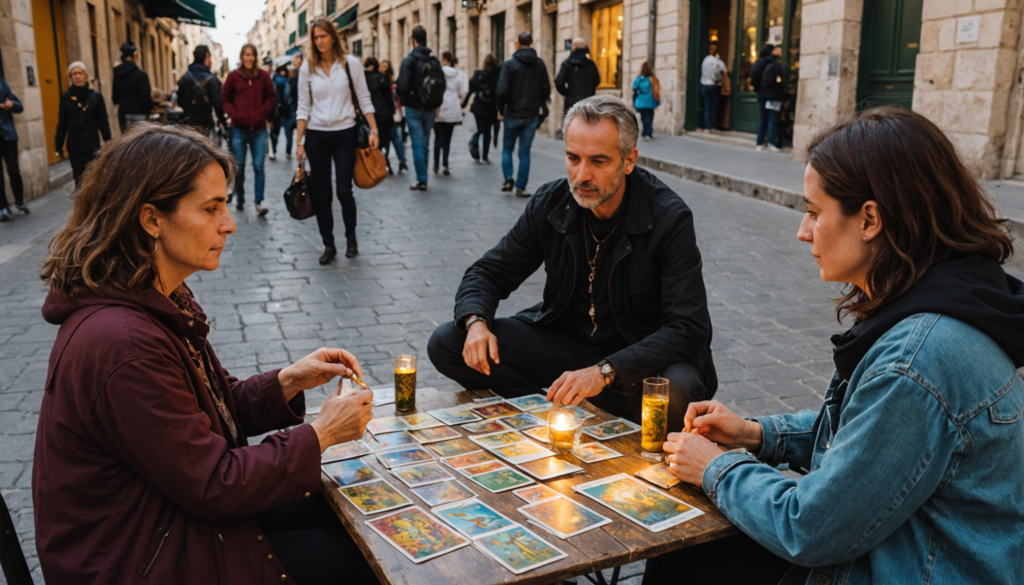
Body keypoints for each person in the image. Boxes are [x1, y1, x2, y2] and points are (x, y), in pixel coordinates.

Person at [645, 106, 1024, 584]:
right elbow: (872, 440)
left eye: (813, 212)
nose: (802, 232)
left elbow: (810, 526)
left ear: (869, 219)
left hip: (909, 567)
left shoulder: (917, 361)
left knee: (683, 553)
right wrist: (756, 435)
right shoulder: (946, 298)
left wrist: (718, 467)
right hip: (896, 544)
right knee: (685, 549)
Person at [33, 123, 379, 585]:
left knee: (351, 508)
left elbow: (200, 416)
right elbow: (214, 483)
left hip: (165, 512)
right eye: (211, 208)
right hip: (137, 556)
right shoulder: (124, 342)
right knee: (366, 558)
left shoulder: (152, 295)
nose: (229, 223)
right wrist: (321, 434)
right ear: (151, 218)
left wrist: (288, 380)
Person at [427, 95, 717, 434]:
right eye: (572, 158)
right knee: (449, 341)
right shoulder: (552, 203)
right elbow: (490, 271)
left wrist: (605, 372)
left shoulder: (669, 218)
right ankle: (550, 407)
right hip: (569, 344)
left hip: (637, 361)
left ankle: (589, 405)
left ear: (629, 160)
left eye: (598, 161)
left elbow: (688, 329)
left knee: (677, 389)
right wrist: (476, 322)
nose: (582, 175)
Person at [295, 18, 379, 263]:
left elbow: (364, 98)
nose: (319, 41)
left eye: (323, 36)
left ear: (333, 36)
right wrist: (299, 141)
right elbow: (303, 106)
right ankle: (328, 244)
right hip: (317, 136)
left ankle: (351, 237)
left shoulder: (350, 63)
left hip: (345, 133)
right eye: (315, 37)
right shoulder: (307, 68)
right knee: (322, 194)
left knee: (344, 190)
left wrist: (374, 129)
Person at [222, 43, 276, 215]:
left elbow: (271, 96)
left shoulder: (264, 76)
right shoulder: (233, 77)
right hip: (238, 129)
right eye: (246, 54)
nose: (249, 58)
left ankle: (259, 201)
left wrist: (263, 112)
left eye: (252, 55)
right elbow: (224, 98)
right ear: (242, 57)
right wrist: (234, 114)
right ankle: (240, 199)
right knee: (240, 167)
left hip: (259, 130)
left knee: (259, 166)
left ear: (256, 57)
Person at [496, 31, 551, 198]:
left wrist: (500, 109)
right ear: (532, 43)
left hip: (512, 113)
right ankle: (521, 187)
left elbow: (502, 90)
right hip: (531, 114)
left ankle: (508, 180)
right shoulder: (540, 64)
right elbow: (546, 89)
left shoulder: (509, 64)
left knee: (507, 148)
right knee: (524, 151)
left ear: (517, 44)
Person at [396, 25, 445, 191]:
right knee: (425, 142)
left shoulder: (409, 60)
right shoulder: (434, 61)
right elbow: (442, 84)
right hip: (430, 108)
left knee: (417, 142)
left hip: (413, 107)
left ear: (412, 40)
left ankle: (421, 179)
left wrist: (404, 97)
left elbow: (401, 85)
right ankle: (423, 177)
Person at [55, 62, 111, 186]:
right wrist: (58, 145)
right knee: (79, 179)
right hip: (74, 145)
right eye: (74, 74)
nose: (77, 76)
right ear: (70, 78)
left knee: (94, 178)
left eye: (80, 73)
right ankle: (81, 204)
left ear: (85, 75)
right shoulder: (66, 97)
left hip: (92, 143)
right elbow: (62, 122)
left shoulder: (96, 96)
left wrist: (109, 142)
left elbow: (103, 121)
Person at [177, 45, 226, 139]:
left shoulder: (184, 78)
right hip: (205, 127)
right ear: (207, 56)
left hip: (187, 128)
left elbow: (180, 101)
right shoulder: (212, 79)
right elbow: (218, 106)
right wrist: (224, 124)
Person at [434, 51, 467, 176]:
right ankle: (445, 164)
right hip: (453, 108)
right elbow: (463, 91)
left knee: (438, 138)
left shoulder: (438, 72)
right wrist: (459, 102)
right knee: (447, 139)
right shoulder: (458, 74)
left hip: (439, 108)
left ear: (444, 60)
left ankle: (436, 164)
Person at [465, 54, 500, 163]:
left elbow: (471, 89)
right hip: (491, 107)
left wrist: (464, 103)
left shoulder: (478, 74)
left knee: (480, 129)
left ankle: (474, 142)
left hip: (479, 107)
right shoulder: (497, 76)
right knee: (487, 132)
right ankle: (485, 156)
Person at [112, 42, 154, 131]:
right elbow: (145, 96)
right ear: (134, 55)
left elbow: (114, 97)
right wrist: (151, 107)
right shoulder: (141, 74)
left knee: (127, 142)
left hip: (123, 113)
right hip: (139, 113)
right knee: (141, 141)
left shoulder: (117, 72)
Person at [0, 74, 26, 222]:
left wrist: (12, 105)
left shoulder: (2, 84)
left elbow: (18, 105)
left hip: (8, 135)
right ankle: (3, 208)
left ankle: (20, 201)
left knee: (14, 170)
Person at [364, 57, 395, 172]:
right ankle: (384, 161)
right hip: (385, 114)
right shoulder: (382, 78)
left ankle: (374, 164)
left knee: (371, 141)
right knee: (385, 140)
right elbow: (389, 97)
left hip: (370, 115)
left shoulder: (363, 78)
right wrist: (392, 110)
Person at [554, 38, 600, 114]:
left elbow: (559, 82)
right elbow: (597, 81)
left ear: (574, 48)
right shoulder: (591, 64)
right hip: (588, 104)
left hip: (572, 104)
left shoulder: (567, 64)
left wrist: (568, 93)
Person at [751, 43, 783, 152]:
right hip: (773, 96)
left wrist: (759, 90)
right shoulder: (776, 64)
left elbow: (753, 80)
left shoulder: (760, 62)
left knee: (762, 120)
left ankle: (759, 144)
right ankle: (771, 143)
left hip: (762, 95)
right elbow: (780, 82)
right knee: (772, 120)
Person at [379, 60, 408, 175]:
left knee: (387, 139)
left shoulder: (385, 83)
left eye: (385, 66)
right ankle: (401, 160)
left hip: (389, 115)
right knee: (395, 138)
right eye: (381, 66)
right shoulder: (393, 83)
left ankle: (387, 163)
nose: (382, 68)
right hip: (394, 115)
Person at [699, 43, 727, 133]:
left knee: (707, 107)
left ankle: (707, 126)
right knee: (712, 108)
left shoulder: (705, 60)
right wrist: (720, 79)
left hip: (704, 85)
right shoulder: (718, 61)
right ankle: (712, 125)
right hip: (713, 85)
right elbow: (723, 73)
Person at [270, 64, 294, 161]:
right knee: (288, 134)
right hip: (285, 111)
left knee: (276, 133)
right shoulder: (285, 81)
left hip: (277, 112)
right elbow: (287, 96)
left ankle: (274, 151)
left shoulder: (274, 80)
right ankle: (288, 152)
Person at [632, 61, 660, 141]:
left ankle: (646, 132)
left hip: (640, 102)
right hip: (650, 102)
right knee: (649, 117)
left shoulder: (638, 79)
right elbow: (657, 89)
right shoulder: (652, 79)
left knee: (644, 118)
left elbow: (634, 88)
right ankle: (647, 133)